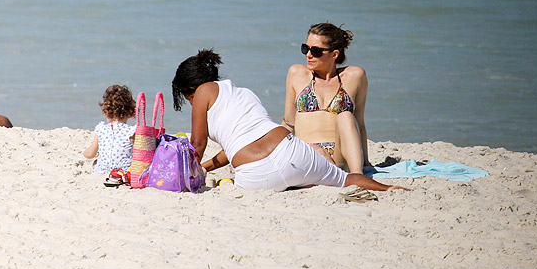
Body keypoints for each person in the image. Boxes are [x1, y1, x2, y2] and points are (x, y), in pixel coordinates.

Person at [172, 49, 407, 193]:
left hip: (255, 176)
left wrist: (188, 174)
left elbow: (198, 143)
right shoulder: (244, 93)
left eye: (187, 98)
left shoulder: (203, 92)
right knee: (345, 179)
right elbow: (238, 143)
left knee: (240, 182)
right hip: (294, 155)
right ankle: (392, 189)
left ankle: (296, 184)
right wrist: (206, 167)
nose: (192, 103)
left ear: (193, 88)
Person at [282, 23, 369, 174]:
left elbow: (359, 124)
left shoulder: (354, 76)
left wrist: (366, 162)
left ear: (334, 54)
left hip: (340, 157)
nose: (308, 55)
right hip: (308, 155)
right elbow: (289, 123)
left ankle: (357, 176)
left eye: (315, 51)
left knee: (346, 117)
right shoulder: (297, 74)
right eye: (305, 48)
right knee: (316, 150)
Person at [83, 85, 136, 174]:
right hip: (123, 172)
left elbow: (89, 154)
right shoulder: (131, 131)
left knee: (95, 162)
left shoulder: (101, 129)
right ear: (130, 112)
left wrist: (85, 153)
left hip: (102, 171)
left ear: (106, 111)